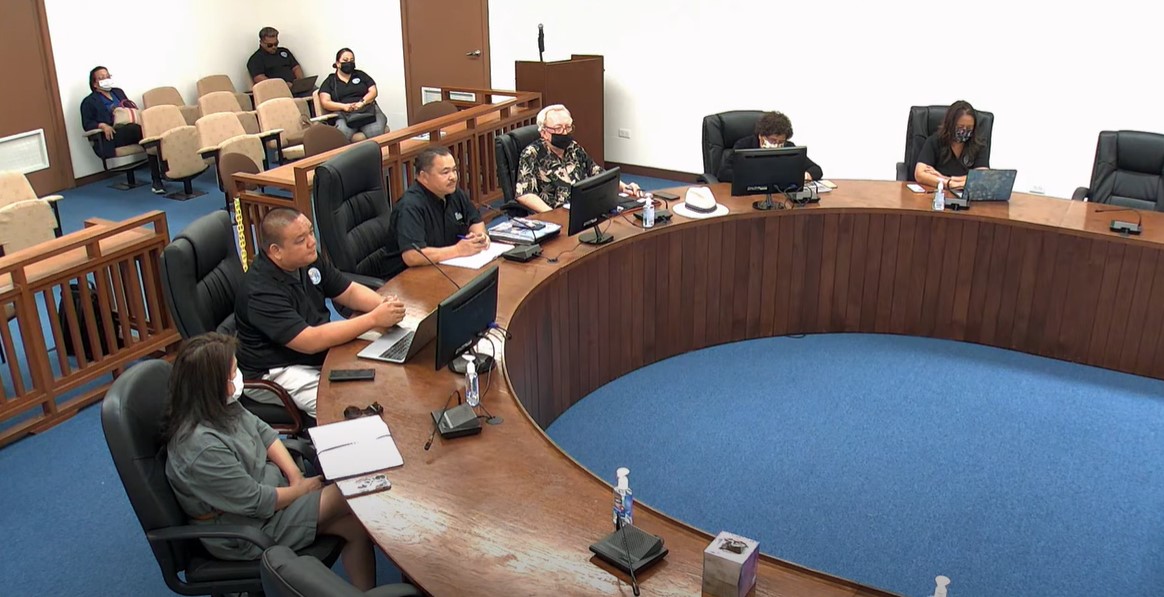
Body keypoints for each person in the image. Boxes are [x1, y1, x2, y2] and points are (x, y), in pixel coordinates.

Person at [163, 332, 377, 589]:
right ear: (212, 385)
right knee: (357, 491)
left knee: (354, 525)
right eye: (233, 373)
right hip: (247, 531)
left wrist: (296, 478)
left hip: (275, 497)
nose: (238, 377)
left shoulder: (220, 404)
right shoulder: (200, 448)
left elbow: (263, 432)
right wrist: (299, 491)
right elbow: (255, 501)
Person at [234, 207, 405, 418]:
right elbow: (309, 341)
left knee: (380, 370)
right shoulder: (259, 291)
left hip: (316, 353)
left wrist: (385, 306)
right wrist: (373, 319)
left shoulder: (308, 259)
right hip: (277, 370)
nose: (311, 242)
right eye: (300, 240)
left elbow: (348, 291)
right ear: (276, 251)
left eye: (311, 232)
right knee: (337, 407)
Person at [382, 146, 489, 279]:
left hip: (446, 268)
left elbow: (475, 220)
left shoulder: (453, 193)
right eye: (445, 172)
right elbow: (412, 256)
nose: (453, 177)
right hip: (408, 279)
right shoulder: (410, 206)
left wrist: (479, 237)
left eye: (454, 170)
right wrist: (458, 250)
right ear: (423, 176)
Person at [514, 104, 642, 213]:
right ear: (543, 132)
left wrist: (624, 187)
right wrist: (550, 214)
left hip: (584, 208)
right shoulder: (531, 154)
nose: (564, 133)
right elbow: (525, 194)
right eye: (558, 128)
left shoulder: (573, 147)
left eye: (568, 127)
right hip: (556, 213)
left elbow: (597, 173)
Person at [80, 66, 164, 193]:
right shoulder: (88, 102)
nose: (106, 79)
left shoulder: (118, 92)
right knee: (141, 132)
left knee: (148, 134)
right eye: (101, 78)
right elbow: (87, 123)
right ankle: (158, 178)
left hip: (129, 129)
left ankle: (160, 175)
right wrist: (102, 125)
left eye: (107, 76)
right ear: (94, 84)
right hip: (111, 136)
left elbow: (128, 107)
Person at [716, 111, 823, 183]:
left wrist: (806, 175)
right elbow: (723, 173)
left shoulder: (789, 147)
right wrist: (757, 176)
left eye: (781, 141)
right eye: (773, 140)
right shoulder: (744, 145)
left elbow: (816, 170)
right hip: (750, 196)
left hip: (779, 197)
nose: (777, 145)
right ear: (761, 136)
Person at [913, 100, 989, 189]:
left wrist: (947, 179)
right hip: (938, 195)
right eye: (960, 127)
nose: (964, 131)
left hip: (968, 197)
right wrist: (949, 184)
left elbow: (983, 177)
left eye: (969, 128)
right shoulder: (935, 141)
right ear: (950, 125)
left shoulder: (979, 144)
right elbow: (919, 174)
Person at [318, 48, 387, 142]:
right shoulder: (330, 81)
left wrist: (362, 102)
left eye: (352, 60)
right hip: (344, 114)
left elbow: (373, 91)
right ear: (338, 63)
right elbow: (325, 102)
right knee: (340, 136)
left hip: (368, 111)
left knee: (376, 132)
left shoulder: (361, 75)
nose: (349, 63)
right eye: (345, 60)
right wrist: (343, 106)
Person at [246, 27, 308, 95]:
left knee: (315, 91)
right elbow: (259, 78)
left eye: (276, 44)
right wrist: (282, 85)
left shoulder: (284, 51)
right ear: (261, 43)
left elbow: (296, 67)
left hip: (295, 87)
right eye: (270, 45)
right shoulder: (255, 59)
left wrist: (299, 82)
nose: (273, 47)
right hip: (276, 91)